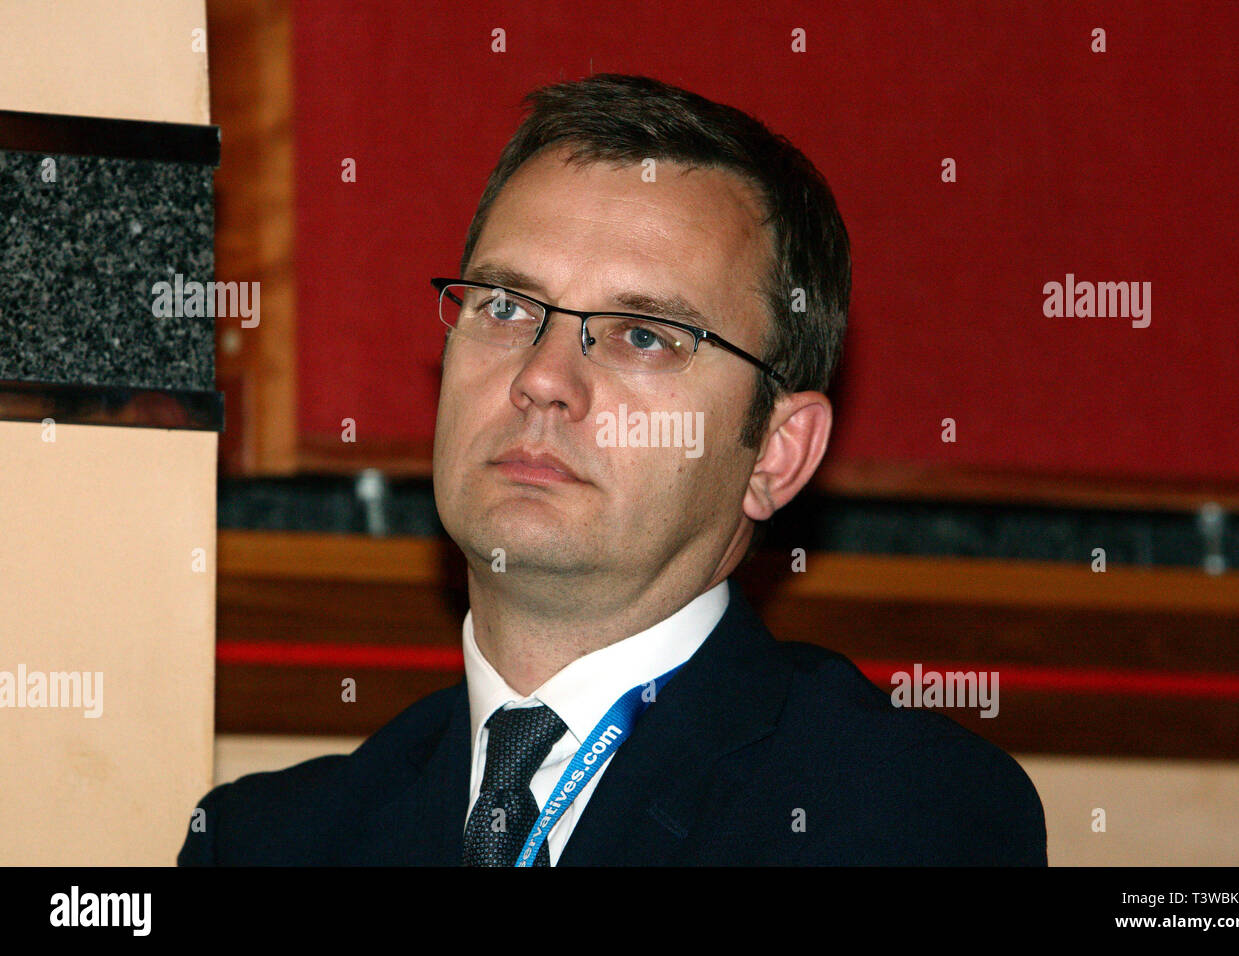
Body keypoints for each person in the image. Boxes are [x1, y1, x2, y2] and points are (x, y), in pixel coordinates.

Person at [179, 73, 1047, 866]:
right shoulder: (268, 843)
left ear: (775, 453)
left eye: (643, 336)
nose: (541, 380)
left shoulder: (898, 816)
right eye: (509, 307)